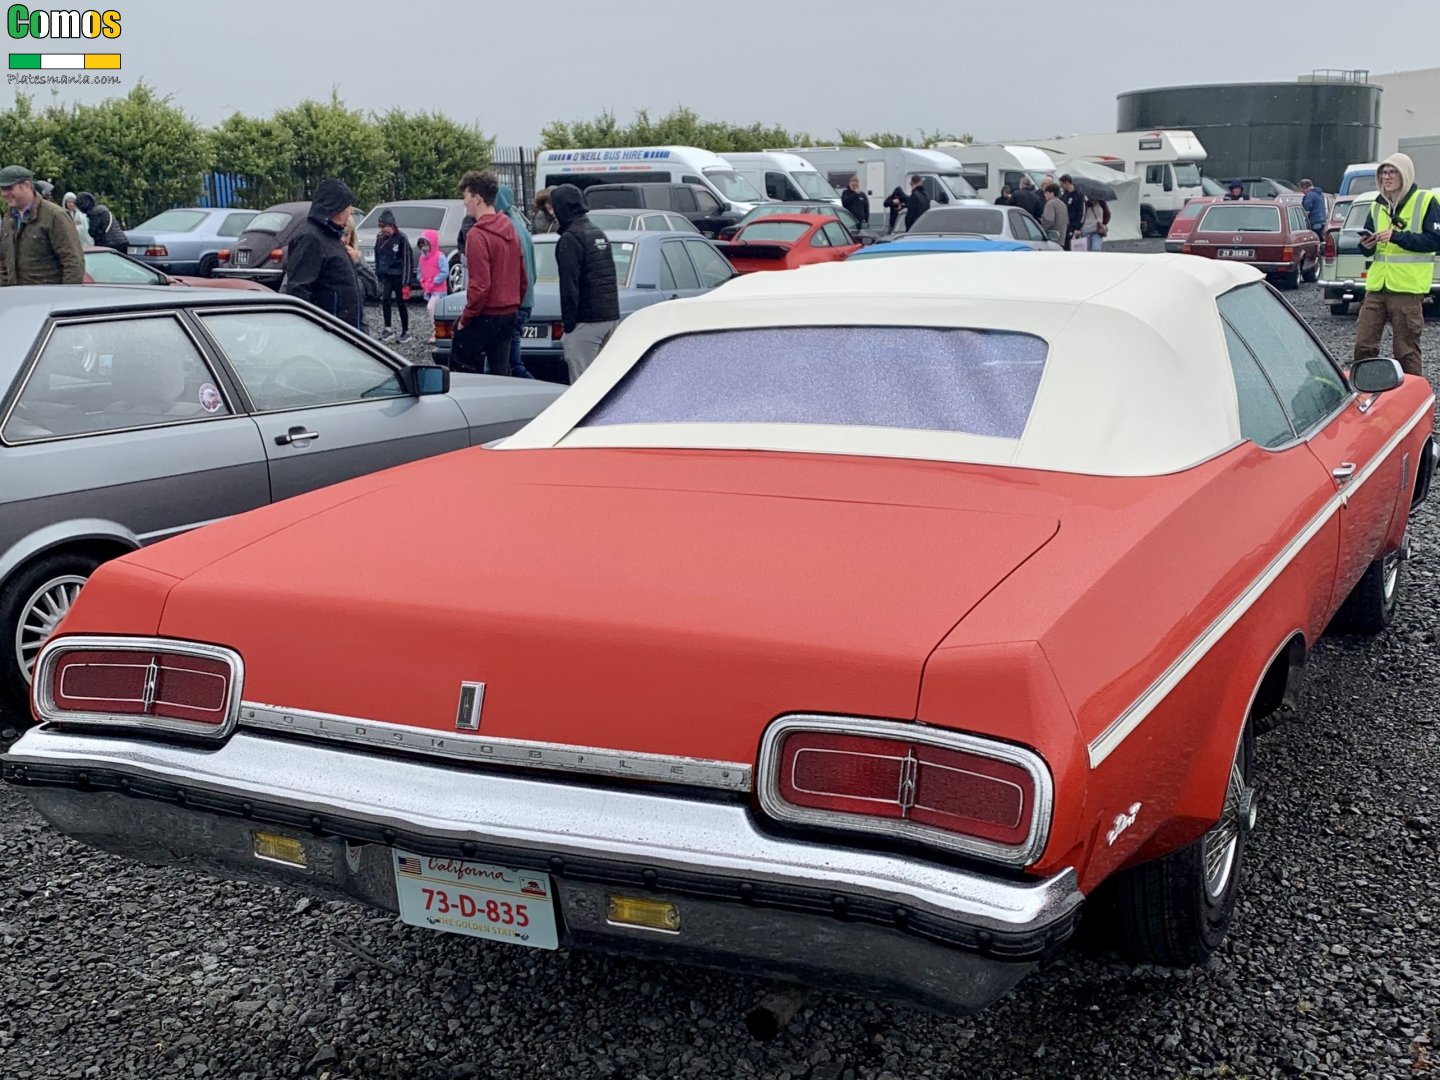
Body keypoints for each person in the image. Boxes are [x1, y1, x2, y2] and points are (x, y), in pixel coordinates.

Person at [1354, 153, 1440, 378]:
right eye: (1383, 172)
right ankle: (1367, 393)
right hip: (1376, 288)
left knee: (1406, 351)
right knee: (1363, 346)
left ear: (1405, 175)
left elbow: (1435, 241)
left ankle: (1413, 401)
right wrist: (1366, 245)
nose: (1387, 177)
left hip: (1407, 290)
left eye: (1393, 172)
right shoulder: (1377, 204)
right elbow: (1368, 247)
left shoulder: (1426, 201)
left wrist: (1396, 236)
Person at [452, 169, 525, 377]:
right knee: (501, 370)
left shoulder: (477, 234)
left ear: (477, 198)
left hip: (486, 313)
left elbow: (480, 286)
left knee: (463, 371)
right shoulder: (510, 227)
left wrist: (465, 319)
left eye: (465, 196)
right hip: (508, 312)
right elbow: (522, 274)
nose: (464, 202)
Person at [551, 183, 619, 382]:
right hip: (609, 316)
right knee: (603, 382)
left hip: (586, 320)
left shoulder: (570, 238)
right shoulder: (597, 232)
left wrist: (569, 325)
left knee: (582, 383)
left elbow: (569, 286)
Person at [281, 178, 363, 329]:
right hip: (328, 333)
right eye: (348, 207)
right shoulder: (310, 238)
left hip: (348, 331)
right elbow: (299, 290)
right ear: (335, 207)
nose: (350, 212)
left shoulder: (332, 236)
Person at [0, 165, 85, 286]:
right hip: (16, 300)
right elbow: (3, 264)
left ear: (27, 185)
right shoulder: (8, 219)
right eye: (2, 189)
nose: (4, 193)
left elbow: (73, 261)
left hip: (49, 300)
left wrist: (67, 299)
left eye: (9, 188)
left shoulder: (55, 216)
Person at [495, 184, 536, 379]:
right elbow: (532, 273)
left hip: (514, 304)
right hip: (525, 302)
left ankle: (541, 395)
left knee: (506, 364)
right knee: (508, 362)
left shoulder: (507, 228)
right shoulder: (520, 226)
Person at [373, 209, 416, 343]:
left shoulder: (401, 238)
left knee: (400, 302)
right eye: (382, 227)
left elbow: (407, 260)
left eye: (386, 227)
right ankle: (388, 328)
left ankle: (405, 330)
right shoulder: (380, 238)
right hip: (386, 275)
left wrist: (406, 282)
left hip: (399, 276)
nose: (384, 230)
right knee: (385, 300)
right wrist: (379, 274)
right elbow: (378, 257)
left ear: (392, 226)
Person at [417, 229, 449, 341]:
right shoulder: (422, 258)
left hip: (439, 290)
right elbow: (420, 272)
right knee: (436, 311)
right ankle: (440, 332)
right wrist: (422, 280)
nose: (425, 248)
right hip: (429, 289)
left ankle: (437, 332)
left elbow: (445, 272)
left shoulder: (440, 256)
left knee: (431, 308)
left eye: (427, 245)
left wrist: (434, 281)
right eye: (422, 245)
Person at [1058, 175, 1086, 251]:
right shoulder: (1064, 194)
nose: (1061, 187)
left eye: (1062, 185)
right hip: (1065, 225)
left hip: (1074, 226)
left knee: (1071, 247)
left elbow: (1082, 212)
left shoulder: (1079, 194)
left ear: (1066, 183)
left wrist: (1078, 228)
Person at [1299, 179, 1327, 244]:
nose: (1301, 191)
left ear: (1304, 187)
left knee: (1312, 242)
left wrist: (1301, 221)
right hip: (1321, 221)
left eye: (1301, 189)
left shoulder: (1309, 195)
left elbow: (1306, 211)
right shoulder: (1320, 194)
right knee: (1320, 240)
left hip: (1313, 222)